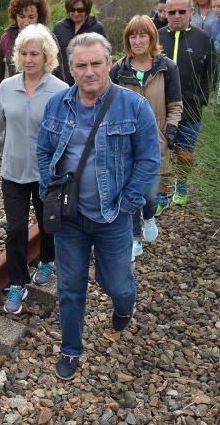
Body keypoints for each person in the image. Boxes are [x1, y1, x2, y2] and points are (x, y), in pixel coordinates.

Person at [37, 33, 159, 380]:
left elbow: (149, 160)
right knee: (71, 286)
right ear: (70, 69)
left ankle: (125, 304)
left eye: (95, 63)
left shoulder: (134, 107)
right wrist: (50, 188)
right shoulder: (57, 105)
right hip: (70, 218)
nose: (89, 71)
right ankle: (71, 349)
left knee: (115, 282)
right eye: (80, 65)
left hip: (113, 217)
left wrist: (127, 204)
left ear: (109, 64)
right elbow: (44, 150)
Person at [0, 25, 67, 315]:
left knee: (48, 224)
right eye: (23, 53)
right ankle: (17, 282)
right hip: (13, 172)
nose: (28, 59)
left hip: (48, 173)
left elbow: (69, 132)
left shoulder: (60, 91)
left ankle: (47, 260)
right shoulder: (7, 87)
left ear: (47, 57)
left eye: (35, 53)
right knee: (16, 229)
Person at [109, 16, 181, 260]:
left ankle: (149, 216)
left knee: (150, 195)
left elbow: (176, 104)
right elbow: (107, 103)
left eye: (142, 35)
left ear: (152, 38)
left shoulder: (167, 67)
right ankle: (134, 239)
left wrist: (170, 130)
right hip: (125, 141)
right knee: (130, 194)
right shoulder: (118, 70)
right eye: (132, 36)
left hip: (155, 141)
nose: (137, 40)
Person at [156, 0, 216, 212]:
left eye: (182, 11)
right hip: (159, 106)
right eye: (172, 12)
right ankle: (161, 195)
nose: (177, 16)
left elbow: (212, 72)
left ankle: (181, 185)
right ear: (165, 13)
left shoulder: (203, 39)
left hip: (190, 107)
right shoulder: (156, 37)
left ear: (191, 11)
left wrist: (203, 99)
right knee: (159, 153)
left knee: (184, 154)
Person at [0, 0, 51, 114]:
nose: (26, 22)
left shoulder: (48, 38)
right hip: (15, 104)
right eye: (21, 16)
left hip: (44, 104)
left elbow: (58, 75)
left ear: (39, 17)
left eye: (31, 17)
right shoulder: (7, 37)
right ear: (15, 16)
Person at [51, 0, 106, 86]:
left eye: (80, 10)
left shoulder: (97, 28)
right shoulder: (59, 28)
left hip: (89, 83)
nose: (76, 13)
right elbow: (52, 57)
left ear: (87, 9)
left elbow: (104, 58)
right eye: (72, 9)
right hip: (63, 85)